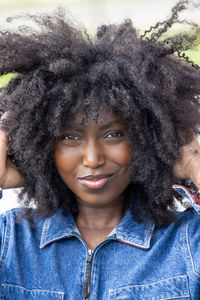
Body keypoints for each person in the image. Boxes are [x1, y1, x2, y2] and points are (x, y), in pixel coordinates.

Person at [0, 0, 200, 298]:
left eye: (114, 134)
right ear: (40, 146)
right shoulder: (10, 240)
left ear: (148, 140)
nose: (93, 159)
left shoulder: (187, 243)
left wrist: (192, 163)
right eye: (70, 137)